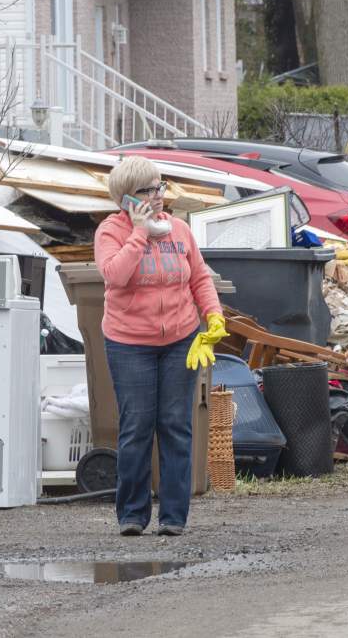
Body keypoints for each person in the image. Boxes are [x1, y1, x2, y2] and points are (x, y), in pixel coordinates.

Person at [94, 155, 227, 537]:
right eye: (148, 190)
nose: (158, 196)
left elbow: (199, 277)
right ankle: (132, 514)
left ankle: (173, 516)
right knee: (137, 426)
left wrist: (213, 315)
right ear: (126, 199)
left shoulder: (179, 230)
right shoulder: (110, 232)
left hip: (180, 339)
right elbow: (115, 276)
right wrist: (139, 232)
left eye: (160, 186)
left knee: (176, 425)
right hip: (129, 342)